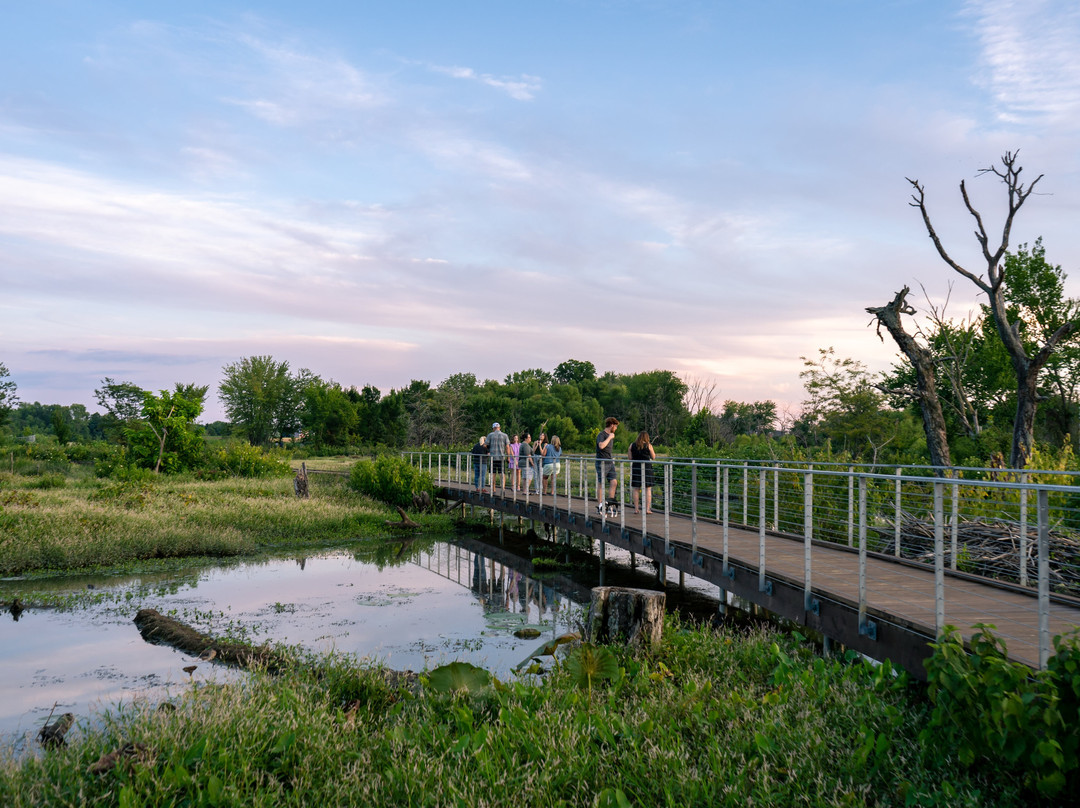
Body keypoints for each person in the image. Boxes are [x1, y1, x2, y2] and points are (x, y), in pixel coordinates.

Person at [595, 416, 620, 514]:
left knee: (614, 482)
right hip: (602, 462)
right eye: (616, 426)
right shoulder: (602, 435)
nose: (616, 429)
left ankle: (610, 505)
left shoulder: (611, 435)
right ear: (612, 425)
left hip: (610, 462)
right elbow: (601, 446)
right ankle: (601, 506)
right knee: (601, 483)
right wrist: (609, 437)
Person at [628, 430, 656, 514]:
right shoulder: (648, 445)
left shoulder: (632, 445)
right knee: (648, 489)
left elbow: (630, 458)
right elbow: (653, 457)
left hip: (636, 468)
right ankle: (647, 509)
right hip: (647, 469)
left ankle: (636, 509)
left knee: (636, 489)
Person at [485, 422, 511, 492]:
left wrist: (488, 450)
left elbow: (485, 445)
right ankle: (503, 488)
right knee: (502, 473)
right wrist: (508, 457)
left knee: (493, 474)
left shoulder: (490, 435)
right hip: (501, 457)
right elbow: (507, 447)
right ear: (499, 428)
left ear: (493, 428)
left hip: (492, 458)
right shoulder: (505, 435)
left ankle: (493, 489)